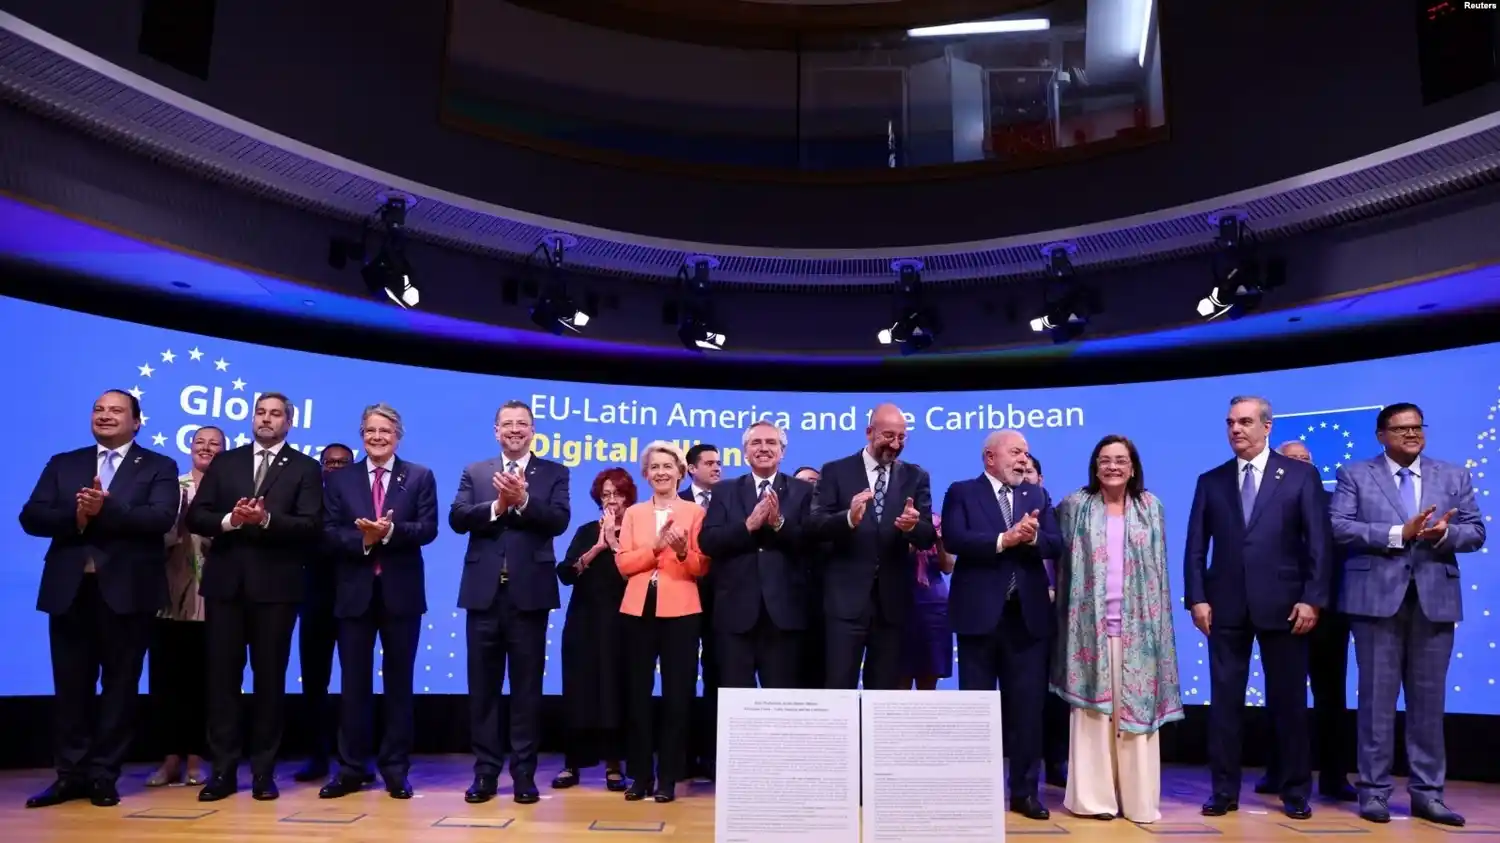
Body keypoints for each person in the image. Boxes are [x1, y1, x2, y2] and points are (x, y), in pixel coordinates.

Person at [19, 389, 179, 809]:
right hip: (70, 590)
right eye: (98, 409)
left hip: (128, 592)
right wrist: (76, 516)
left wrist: (104, 509)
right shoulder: (64, 462)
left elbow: (160, 518)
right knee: (71, 688)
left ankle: (104, 776)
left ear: (137, 422)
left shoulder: (159, 466)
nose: (105, 416)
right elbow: (31, 515)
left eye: (116, 410)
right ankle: (69, 776)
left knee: (120, 688)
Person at [1330, 402, 1485, 827]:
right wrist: (1400, 533)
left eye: (1417, 427)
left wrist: (1445, 534)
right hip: (1375, 601)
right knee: (1376, 702)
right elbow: (1339, 526)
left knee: (1428, 705)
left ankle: (1428, 794)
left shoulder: (1453, 475)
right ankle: (1374, 791)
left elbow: (1476, 531)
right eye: (1401, 429)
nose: (1412, 434)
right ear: (1381, 435)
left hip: (1435, 602)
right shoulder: (1355, 474)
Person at [1183, 395, 1331, 821]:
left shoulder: (1300, 475)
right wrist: (1197, 598)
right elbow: (1196, 547)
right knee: (1224, 704)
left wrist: (1313, 598)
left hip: (1286, 607)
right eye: (1231, 422)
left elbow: (1318, 543)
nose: (1236, 429)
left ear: (1267, 427)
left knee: (1289, 704)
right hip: (1224, 608)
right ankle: (1223, 791)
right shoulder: (1211, 480)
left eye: (1245, 422)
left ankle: (1295, 791)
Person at [187, 392, 325, 802]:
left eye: (275, 414)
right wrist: (231, 520)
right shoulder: (226, 462)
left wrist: (266, 519)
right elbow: (197, 516)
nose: (266, 419)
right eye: (260, 413)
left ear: (289, 422)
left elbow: (311, 526)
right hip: (226, 586)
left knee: (269, 682)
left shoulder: (305, 467)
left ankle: (264, 773)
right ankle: (223, 772)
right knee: (222, 682)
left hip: (277, 589)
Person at [1053, 435, 1183, 823]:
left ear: (1133, 467)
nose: (1112, 466)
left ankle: (1138, 801)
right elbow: (1057, 563)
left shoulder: (1151, 507)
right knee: (1092, 716)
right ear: (1095, 467)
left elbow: (1159, 572)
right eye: (1105, 460)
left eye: (1121, 460)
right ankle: (1094, 800)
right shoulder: (1074, 505)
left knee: (1136, 714)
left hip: (1139, 631)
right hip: (1088, 631)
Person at [452, 400, 571, 805]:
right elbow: (457, 518)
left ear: (533, 430)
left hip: (529, 597)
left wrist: (522, 501)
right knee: (482, 690)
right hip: (483, 595)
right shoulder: (476, 471)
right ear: (496, 430)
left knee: (526, 690)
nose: (515, 430)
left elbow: (558, 521)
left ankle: (523, 775)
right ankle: (485, 773)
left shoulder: (554, 472)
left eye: (522, 424)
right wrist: (496, 507)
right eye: (507, 424)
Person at [941, 429, 1062, 821]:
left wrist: (1032, 539)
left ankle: (1024, 793)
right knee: (976, 711)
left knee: (1027, 711)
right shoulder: (962, 491)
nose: (1024, 459)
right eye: (1016, 452)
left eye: (1026, 453)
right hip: (979, 617)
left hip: (1026, 619)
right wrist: (1003, 540)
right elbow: (955, 539)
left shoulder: (1037, 495)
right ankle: (975, 790)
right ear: (990, 457)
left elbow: (1056, 543)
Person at [318, 404, 438, 800]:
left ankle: (395, 769)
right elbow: (329, 532)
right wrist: (364, 540)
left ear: (397, 436)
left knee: (399, 685)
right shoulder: (341, 479)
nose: (377, 437)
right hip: (354, 594)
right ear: (362, 435)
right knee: (354, 685)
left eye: (385, 431)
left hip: (401, 594)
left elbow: (428, 528)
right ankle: (352, 769)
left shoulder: (419, 476)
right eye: (370, 430)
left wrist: (388, 533)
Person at [808, 403, 936, 690]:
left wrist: (913, 527)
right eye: (889, 436)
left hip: (892, 604)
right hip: (845, 602)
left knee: (884, 693)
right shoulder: (835, 471)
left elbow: (928, 536)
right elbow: (815, 525)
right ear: (869, 432)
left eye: (901, 437)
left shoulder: (916, 477)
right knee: (839, 687)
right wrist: (848, 519)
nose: (896, 444)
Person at [1256, 441, 1355, 801]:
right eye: (1292, 460)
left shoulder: (1335, 506)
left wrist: (1317, 599)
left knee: (1331, 696)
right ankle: (1279, 771)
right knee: (1283, 697)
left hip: (1328, 613)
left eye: (1305, 459)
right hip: (1280, 613)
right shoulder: (1265, 505)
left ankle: (1335, 776)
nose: (1300, 465)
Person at [616, 441, 709, 803]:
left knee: (677, 697)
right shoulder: (634, 513)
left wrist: (683, 551)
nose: (661, 472)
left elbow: (701, 567)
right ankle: (640, 776)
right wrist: (655, 547)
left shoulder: (695, 513)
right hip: (638, 610)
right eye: (654, 467)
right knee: (637, 695)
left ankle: (669, 777)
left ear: (680, 472)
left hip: (682, 611)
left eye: (668, 466)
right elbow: (624, 565)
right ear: (646, 474)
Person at [700, 421, 814, 689]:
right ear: (745, 452)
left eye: (771, 443)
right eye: (756, 443)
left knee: (782, 701)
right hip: (735, 614)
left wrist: (779, 524)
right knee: (735, 699)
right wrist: (747, 526)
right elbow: (708, 542)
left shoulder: (804, 491)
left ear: (782, 452)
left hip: (785, 614)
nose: (763, 448)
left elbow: (813, 544)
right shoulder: (724, 490)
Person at [147, 425, 225, 789]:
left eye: (214, 444)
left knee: (206, 681)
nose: (206, 448)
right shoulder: (171, 487)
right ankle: (170, 759)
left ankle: (197, 757)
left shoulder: (228, 491)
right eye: (200, 442)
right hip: (169, 596)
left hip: (214, 598)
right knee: (167, 680)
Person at [553, 467, 634, 792]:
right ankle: (572, 763)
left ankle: (614, 765)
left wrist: (614, 544)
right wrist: (598, 547)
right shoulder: (587, 530)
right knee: (579, 691)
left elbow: (637, 575)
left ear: (628, 497)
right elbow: (566, 573)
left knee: (615, 691)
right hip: (584, 623)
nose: (612, 500)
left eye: (618, 494)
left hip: (622, 623)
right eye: (606, 495)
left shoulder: (637, 530)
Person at [292, 442, 355, 783]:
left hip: (353, 601)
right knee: (315, 683)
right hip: (315, 601)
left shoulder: (359, 498)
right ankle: (317, 756)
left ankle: (353, 758)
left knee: (354, 683)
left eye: (343, 463)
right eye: (330, 462)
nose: (335, 468)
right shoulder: (308, 500)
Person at [1022, 454, 1070, 788]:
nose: (1025, 476)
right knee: (1029, 695)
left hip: (1059, 615)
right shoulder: (1003, 512)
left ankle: (1056, 762)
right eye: (1020, 470)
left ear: (1040, 478)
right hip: (1021, 612)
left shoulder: (1055, 513)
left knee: (1057, 695)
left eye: (1030, 471)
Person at [681, 443, 722, 782]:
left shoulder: (730, 499)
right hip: (681, 595)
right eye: (709, 463)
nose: (717, 468)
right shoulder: (676, 501)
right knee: (680, 678)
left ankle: (712, 755)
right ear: (691, 469)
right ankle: (681, 757)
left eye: (719, 463)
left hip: (721, 601)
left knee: (715, 677)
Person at [897, 514, 953, 690]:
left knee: (929, 675)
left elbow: (948, 567)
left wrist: (939, 541)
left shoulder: (936, 522)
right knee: (899, 675)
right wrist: (912, 536)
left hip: (935, 607)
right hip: (901, 604)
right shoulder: (897, 520)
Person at [792, 465, 828, 690]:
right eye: (801, 481)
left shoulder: (830, 519)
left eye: (813, 481)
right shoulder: (781, 519)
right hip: (788, 609)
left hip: (824, 608)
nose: (808, 486)